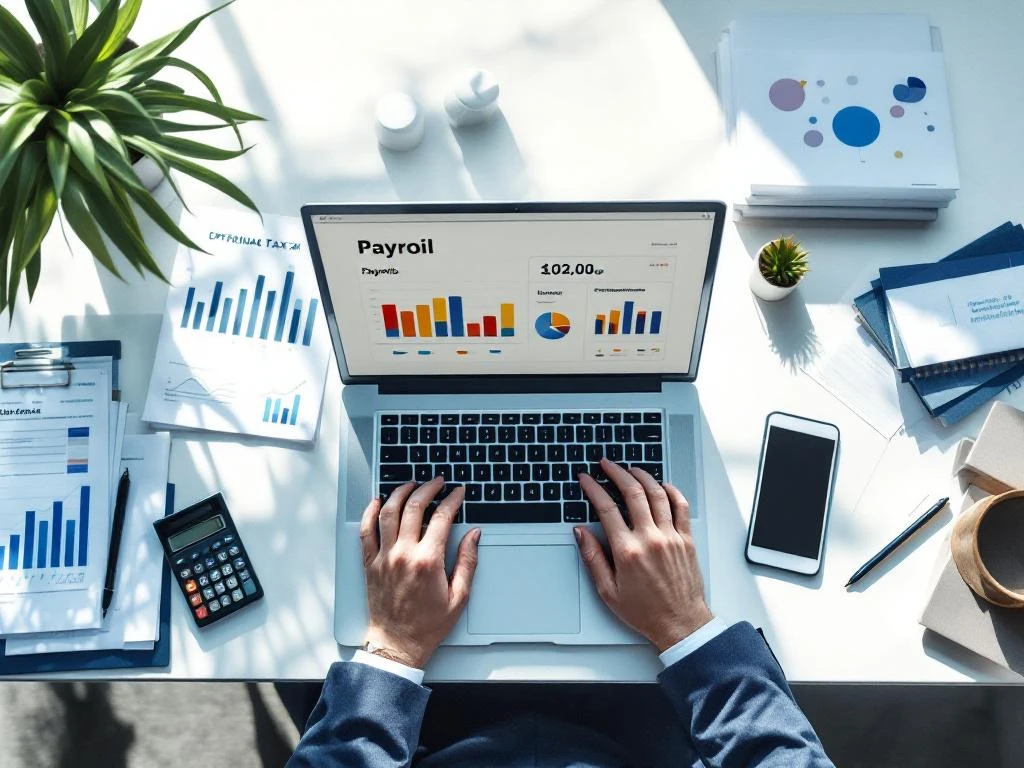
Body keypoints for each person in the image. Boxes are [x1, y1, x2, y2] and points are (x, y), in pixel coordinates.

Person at [287, 458, 836, 767]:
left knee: (306, 676)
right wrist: (684, 625)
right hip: (638, 741)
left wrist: (393, 649)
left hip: (436, 741)